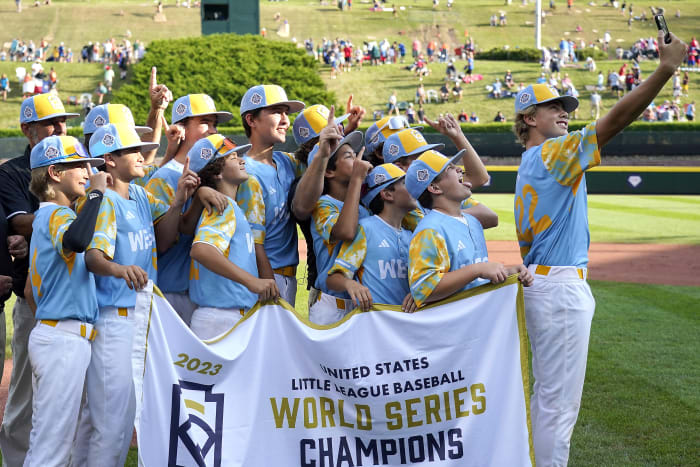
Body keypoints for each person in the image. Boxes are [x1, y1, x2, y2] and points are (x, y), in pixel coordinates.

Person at [511, 31, 686, 467]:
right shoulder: (553, 154)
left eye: (565, 107)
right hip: (559, 288)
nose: (564, 113)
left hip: (542, 285)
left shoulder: (528, 163)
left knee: (545, 397)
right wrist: (664, 70)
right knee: (558, 406)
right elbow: (613, 123)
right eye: (554, 107)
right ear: (529, 118)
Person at [83, 122, 197, 465]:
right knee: (111, 424)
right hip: (114, 319)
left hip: (142, 316)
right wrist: (119, 269)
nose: (141, 154)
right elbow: (93, 257)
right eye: (132, 150)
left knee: (126, 414)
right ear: (110, 160)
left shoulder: (141, 196)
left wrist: (179, 201)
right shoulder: (105, 202)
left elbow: (164, 241)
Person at [0, 93, 78, 467]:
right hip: (33, 297)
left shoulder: (75, 166)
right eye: (51, 122)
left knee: (73, 396)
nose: (60, 128)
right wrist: (62, 222)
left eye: (63, 121)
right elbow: (17, 222)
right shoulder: (12, 171)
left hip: (78, 295)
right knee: (24, 395)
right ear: (27, 130)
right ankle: (15, 461)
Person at [22, 135, 108, 467]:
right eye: (80, 165)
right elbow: (78, 240)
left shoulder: (49, 217)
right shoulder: (56, 214)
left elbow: (30, 291)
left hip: (58, 335)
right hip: (62, 339)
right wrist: (98, 194)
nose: (89, 172)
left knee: (51, 441)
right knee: (51, 447)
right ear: (55, 172)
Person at [405, 150, 532, 308]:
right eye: (450, 168)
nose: (460, 169)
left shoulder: (472, 221)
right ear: (434, 187)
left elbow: (477, 279)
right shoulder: (430, 230)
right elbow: (423, 290)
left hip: (476, 321)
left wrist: (509, 272)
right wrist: (477, 269)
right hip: (454, 326)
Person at [146, 93, 232, 324]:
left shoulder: (216, 173)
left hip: (205, 292)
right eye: (204, 122)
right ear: (180, 128)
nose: (212, 130)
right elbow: (160, 243)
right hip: (171, 290)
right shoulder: (163, 179)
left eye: (214, 124)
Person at [186, 135, 279, 339]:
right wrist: (251, 282)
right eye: (233, 157)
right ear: (217, 172)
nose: (242, 160)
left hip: (224, 317)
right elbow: (201, 250)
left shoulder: (231, 207)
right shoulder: (224, 207)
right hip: (222, 318)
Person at [237, 85, 305, 306]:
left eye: (286, 112)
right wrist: (269, 284)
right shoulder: (244, 171)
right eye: (276, 112)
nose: (286, 120)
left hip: (286, 277)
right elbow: (253, 241)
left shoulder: (287, 161)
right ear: (251, 120)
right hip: (266, 278)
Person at [326, 164, 417, 312]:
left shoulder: (411, 236)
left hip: (405, 324)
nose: (414, 188)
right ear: (387, 194)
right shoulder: (365, 229)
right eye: (405, 183)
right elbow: (333, 279)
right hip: (375, 323)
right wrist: (350, 284)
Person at [309, 131, 371, 324]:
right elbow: (346, 231)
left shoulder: (364, 208)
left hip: (362, 302)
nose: (356, 160)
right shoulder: (323, 205)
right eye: (348, 156)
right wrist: (357, 180)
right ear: (329, 171)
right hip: (332, 304)